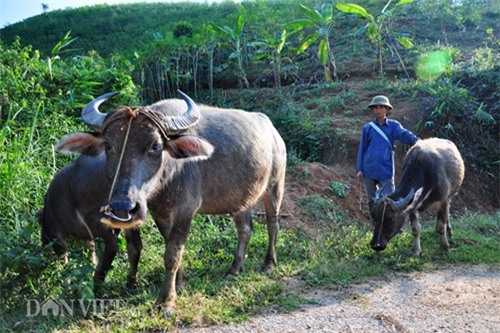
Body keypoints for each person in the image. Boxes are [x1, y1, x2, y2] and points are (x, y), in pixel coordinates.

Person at [356, 95, 420, 216]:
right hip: (368, 167)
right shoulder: (368, 128)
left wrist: (419, 142)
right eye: (376, 108)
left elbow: (405, 135)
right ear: (373, 110)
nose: (378, 110)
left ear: (386, 109)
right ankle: (375, 220)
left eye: (381, 107)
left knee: (390, 198)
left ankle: (392, 222)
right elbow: (362, 149)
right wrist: (359, 169)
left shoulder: (394, 126)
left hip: (386, 168)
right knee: (372, 199)